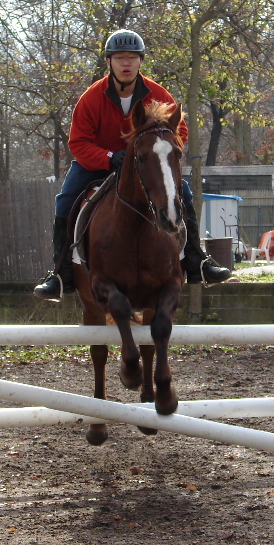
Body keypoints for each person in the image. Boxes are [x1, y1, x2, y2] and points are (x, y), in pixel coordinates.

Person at [34, 29, 230, 301]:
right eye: (119, 58)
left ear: (140, 61)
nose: (126, 63)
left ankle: (199, 262)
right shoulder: (91, 98)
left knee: (182, 192)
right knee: (65, 201)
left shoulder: (158, 94)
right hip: (98, 164)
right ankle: (59, 273)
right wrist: (108, 157)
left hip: (145, 164)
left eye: (132, 58)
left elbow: (179, 132)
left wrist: (153, 151)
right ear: (109, 62)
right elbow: (78, 142)